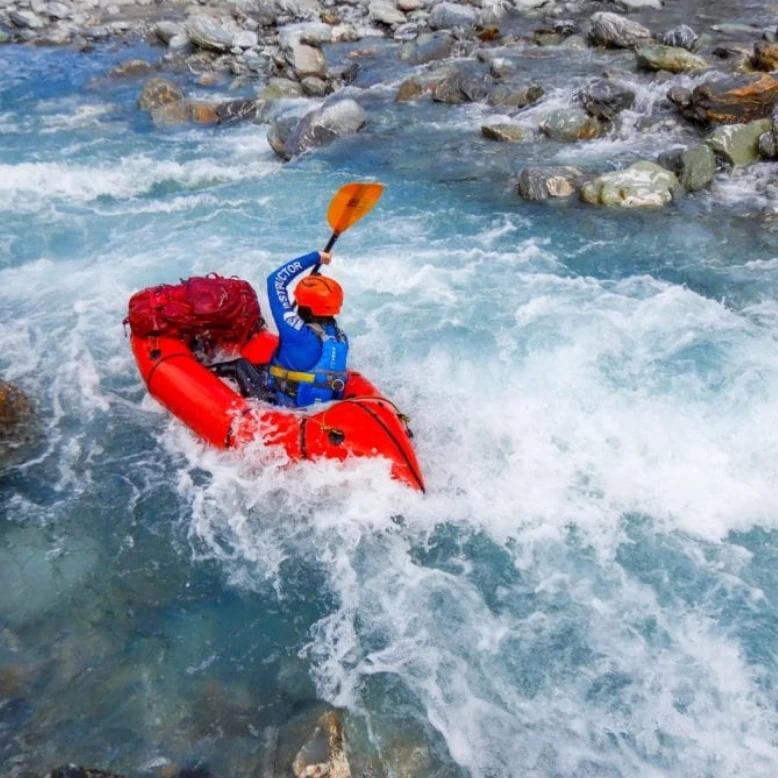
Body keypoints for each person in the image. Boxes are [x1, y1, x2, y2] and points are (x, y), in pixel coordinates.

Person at [212, 250, 348, 408]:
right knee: (264, 367)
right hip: (317, 402)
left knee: (238, 366)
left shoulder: (296, 334)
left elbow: (275, 281)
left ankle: (199, 376)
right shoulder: (340, 337)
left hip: (282, 404)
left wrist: (316, 257)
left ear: (305, 308)